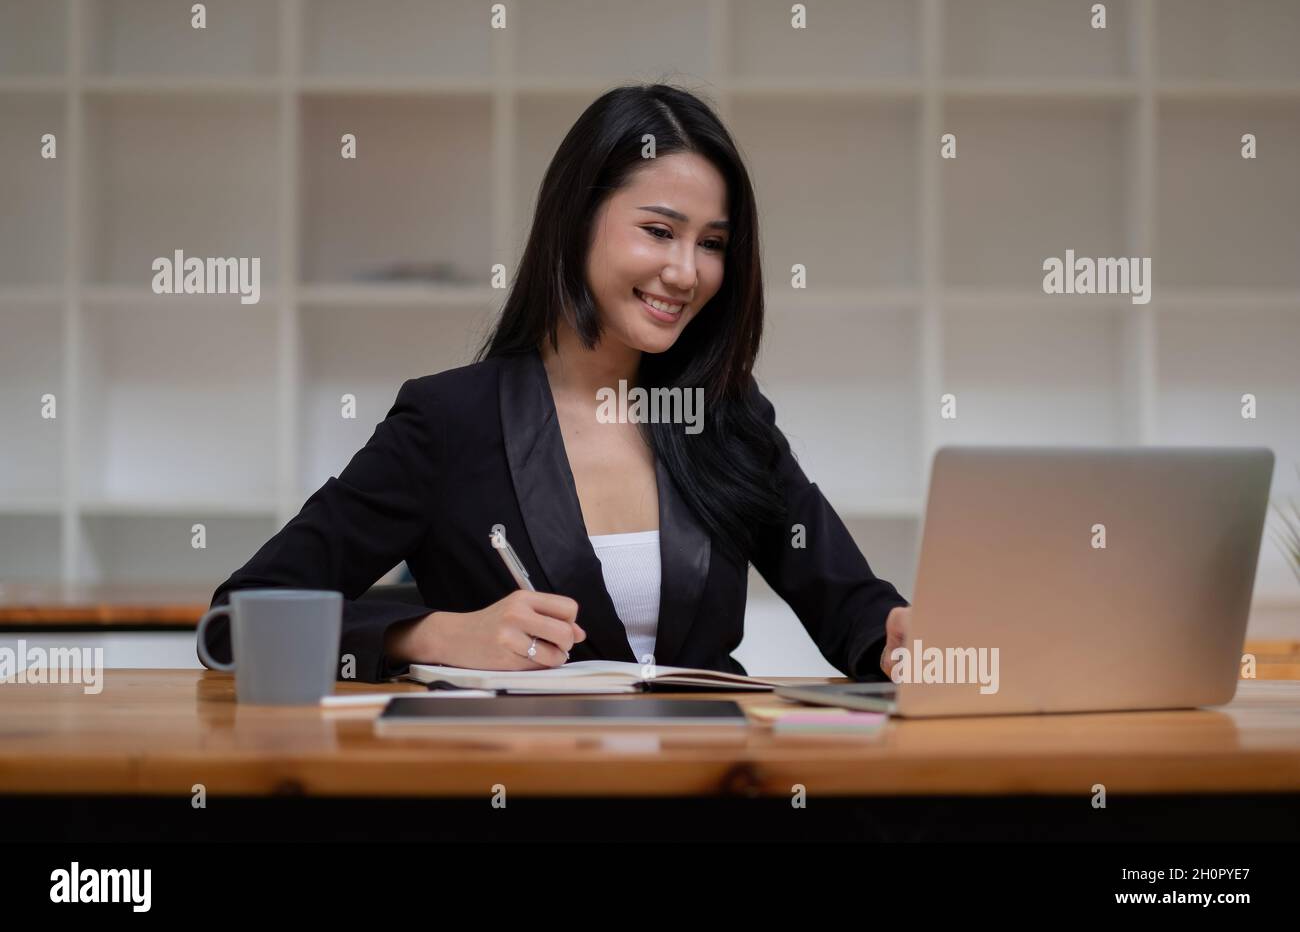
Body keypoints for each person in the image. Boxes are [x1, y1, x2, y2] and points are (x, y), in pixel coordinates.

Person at [198, 82, 911, 684]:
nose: (688, 272)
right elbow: (238, 622)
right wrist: (429, 636)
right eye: (659, 231)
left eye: (713, 244)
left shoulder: (722, 417)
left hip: (707, 787)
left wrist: (899, 639)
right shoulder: (451, 421)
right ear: (576, 223)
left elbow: (851, 608)